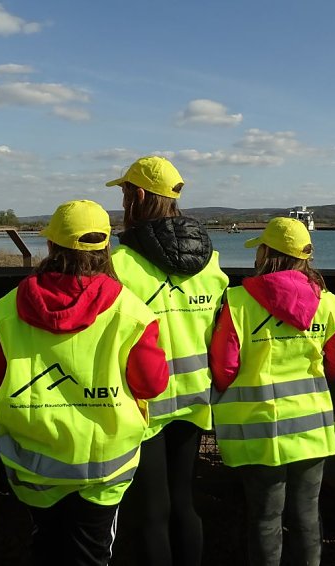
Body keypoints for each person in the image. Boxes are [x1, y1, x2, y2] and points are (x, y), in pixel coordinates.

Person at [0, 199, 169, 566]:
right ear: (106, 247)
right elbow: (152, 385)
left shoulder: (7, 309)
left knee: (44, 546)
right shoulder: (132, 312)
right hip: (104, 470)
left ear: (50, 245)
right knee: (92, 553)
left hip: (33, 467)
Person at [209, 217, 335, 566]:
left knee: (264, 519)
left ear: (265, 253)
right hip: (311, 430)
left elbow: (225, 367)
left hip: (258, 431)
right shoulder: (329, 303)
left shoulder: (238, 301)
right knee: (307, 517)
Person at [106, 156, 229, 565]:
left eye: (125, 192)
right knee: (183, 502)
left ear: (138, 195)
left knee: (150, 513)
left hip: (143, 402)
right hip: (195, 396)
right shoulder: (210, 262)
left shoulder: (120, 264)